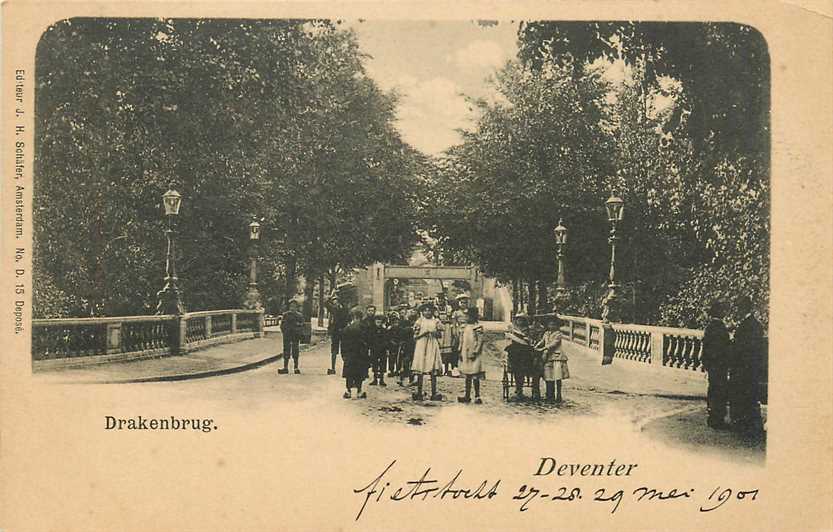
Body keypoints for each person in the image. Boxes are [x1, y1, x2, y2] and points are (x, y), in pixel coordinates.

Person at [729, 296, 765, 436]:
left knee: (742, 395)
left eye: (738, 308)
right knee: (750, 396)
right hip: (751, 367)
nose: (736, 311)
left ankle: (744, 425)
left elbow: (741, 348)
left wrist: (732, 343)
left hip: (742, 367)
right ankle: (751, 424)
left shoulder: (745, 326)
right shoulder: (756, 325)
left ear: (742, 308)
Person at [700, 300, 732, 429]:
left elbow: (706, 347)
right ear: (719, 312)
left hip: (712, 364)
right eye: (723, 310)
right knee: (719, 391)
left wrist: (706, 364)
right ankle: (717, 418)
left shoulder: (710, 326)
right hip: (719, 365)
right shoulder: (719, 327)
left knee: (713, 390)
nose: (725, 312)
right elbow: (722, 347)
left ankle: (713, 417)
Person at [411, 303, 444, 401]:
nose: (427, 312)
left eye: (429, 310)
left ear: (432, 311)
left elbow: (440, 335)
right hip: (421, 345)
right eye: (425, 310)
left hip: (432, 345)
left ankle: (434, 392)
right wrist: (423, 334)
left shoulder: (436, 321)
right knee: (421, 367)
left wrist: (435, 333)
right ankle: (419, 392)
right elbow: (415, 337)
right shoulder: (419, 321)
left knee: (432, 368)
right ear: (422, 312)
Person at [535, 315, 569, 404]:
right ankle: (549, 395)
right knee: (548, 377)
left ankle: (558, 395)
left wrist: (543, 349)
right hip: (547, 358)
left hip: (556, 357)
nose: (552, 326)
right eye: (550, 324)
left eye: (554, 325)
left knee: (557, 377)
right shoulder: (546, 333)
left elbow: (553, 344)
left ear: (557, 326)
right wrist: (537, 346)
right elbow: (542, 341)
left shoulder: (558, 334)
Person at [457, 307, 485, 404]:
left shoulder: (477, 327)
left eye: (470, 316)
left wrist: (476, 351)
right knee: (467, 375)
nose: (468, 318)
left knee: (475, 375)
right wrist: (460, 350)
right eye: (467, 316)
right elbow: (461, 339)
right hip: (465, 352)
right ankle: (467, 395)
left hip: (474, 352)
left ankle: (477, 396)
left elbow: (480, 341)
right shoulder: (464, 327)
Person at [505, 314, 535, 401]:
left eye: (522, 320)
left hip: (525, 352)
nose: (520, 321)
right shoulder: (512, 329)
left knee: (523, 368)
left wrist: (526, 339)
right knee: (516, 369)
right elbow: (508, 339)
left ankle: (521, 387)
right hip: (515, 352)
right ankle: (519, 389)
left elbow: (530, 341)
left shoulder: (528, 330)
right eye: (518, 320)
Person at [340, 307, 369, 399]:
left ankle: (348, 390)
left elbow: (343, 343)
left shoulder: (347, 329)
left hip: (350, 354)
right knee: (359, 372)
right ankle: (359, 390)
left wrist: (343, 354)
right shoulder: (364, 328)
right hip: (361, 354)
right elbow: (368, 342)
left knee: (349, 373)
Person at [326, 294, 350, 376]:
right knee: (335, 350)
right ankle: (334, 368)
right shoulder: (340, 308)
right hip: (338, 332)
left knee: (342, 350)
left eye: (335, 301)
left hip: (341, 331)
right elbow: (326, 304)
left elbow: (326, 303)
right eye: (333, 301)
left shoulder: (340, 309)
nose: (334, 303)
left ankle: (341, 368)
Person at [278, 299, 304, 375]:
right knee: (286, 350)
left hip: (295, 335)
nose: (292, 308)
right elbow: (282, 325)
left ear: (297, 307)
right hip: (287, 335)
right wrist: (284, 332)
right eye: (291, 306)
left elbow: (302, 325)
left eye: (294, 306)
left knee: (295, 350)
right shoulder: (286, 315)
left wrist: (298, 330)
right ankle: (285, 367)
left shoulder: (299, 316)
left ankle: (296, 367)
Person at [398, 310, 418, 386]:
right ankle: (402, 378)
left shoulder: (418, 327)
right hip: (407, 347)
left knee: (413, 364)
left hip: (415, 347)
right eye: (411, 320)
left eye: (414, 320)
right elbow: (403, 336)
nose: (413, 322)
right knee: (405, 363)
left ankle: (411, 379)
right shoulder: (406, 328)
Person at [369, 313, 389, 386]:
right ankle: (374, 379)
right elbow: (370, 340)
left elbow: (387, 340)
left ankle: (381, 380)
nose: (378, 322)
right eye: (377, 321)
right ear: (374, 321)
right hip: (374, 349)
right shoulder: (372, 330)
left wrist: (386, 349)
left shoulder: (384, 330)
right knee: (375, 364)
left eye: (380, 321)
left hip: (382, 350)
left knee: (382, 364)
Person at [386, 312, 402, 378]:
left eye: (397, 322)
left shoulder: (400, 329)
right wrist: (391, 342)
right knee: (391, 358)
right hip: (392, 346)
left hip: (399, 346)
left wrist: (400, 342)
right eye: (394, 323)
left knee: (398, 358)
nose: (396, 324)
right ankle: (391, 370)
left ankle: (398, 370)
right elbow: (388, 337)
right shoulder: (390, 329)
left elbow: (402, 337)